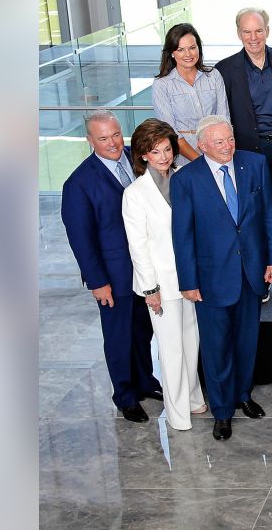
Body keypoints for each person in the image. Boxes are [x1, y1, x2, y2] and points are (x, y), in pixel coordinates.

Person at [171, 116, 272, 441]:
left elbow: (269, 215)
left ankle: (243, 395)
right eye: (218, 142)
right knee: (216, 347)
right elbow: (183, 235)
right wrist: (188, 281)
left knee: (246, 342)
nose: (227, 147)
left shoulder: (255, 164)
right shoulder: (186, 179)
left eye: (230, 140)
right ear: (202, 145)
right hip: (211, 279)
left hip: (251, 272)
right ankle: (222, 411)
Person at [61, 111, 162, 423]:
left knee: (143, 330)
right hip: (113, 276)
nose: (112, 143)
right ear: (90, 141)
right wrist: (97, 281)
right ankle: (125, 395)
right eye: (103, 138)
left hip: (146, 268)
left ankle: (145, 381)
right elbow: (81, 239)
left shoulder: (138, 160)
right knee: (118, 336)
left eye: (116, 135)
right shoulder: (79, 183)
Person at [121, 118, 206, 430]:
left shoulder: (184, 179)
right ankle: (178, 413)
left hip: (189, 279)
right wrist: (149, 289)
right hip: (160, 284)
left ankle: (194, 399)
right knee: (170, 350)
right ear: (143, 155)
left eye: (167, 150)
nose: (164, 157)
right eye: (155, 152)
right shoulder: (135, 194)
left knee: (190, 342)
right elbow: (138, 246)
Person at [215, 7, 272, 166]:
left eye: (259, 31)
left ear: (267, 31)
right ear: (239, 34)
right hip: (246, 150)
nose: (253, 37)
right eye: (247, 32)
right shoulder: (224, 70)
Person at [151, 22, 229, 167]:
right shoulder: (162, 85)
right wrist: (202, 163)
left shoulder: (213, 76)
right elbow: (171, 132)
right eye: (180, 49)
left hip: (217, 152)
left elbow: (224, 120)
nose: (188, 54)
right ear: (172, 53)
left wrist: (216, 156)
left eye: (192, 48)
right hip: (183, 158)